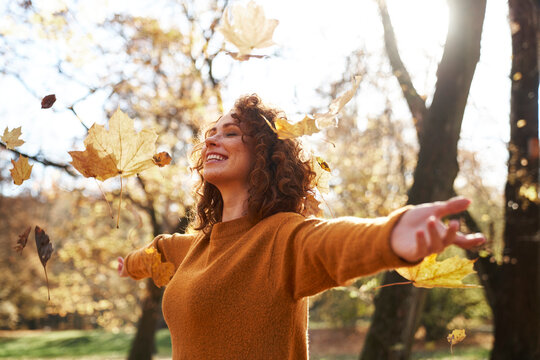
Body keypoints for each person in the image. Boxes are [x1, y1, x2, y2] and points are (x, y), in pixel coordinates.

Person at [118, 94, 485, 359]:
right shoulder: (197, 247)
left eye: (230, 132)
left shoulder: (283, 236)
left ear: (263, 152)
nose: (212, 138)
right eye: (210, 133)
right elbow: (160, 250)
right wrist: (128, 264)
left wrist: (390, 234)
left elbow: (329, 244)